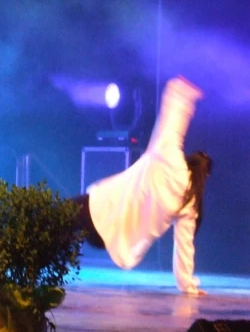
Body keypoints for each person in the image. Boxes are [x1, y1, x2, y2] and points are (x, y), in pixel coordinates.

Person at [72, 75, 211, 295]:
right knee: (60, 230)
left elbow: (172, 126)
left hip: (96, 209)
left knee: (51, 218)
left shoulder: (170, 160)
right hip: (111, 244)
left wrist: (181, 94)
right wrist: (188, 286)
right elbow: (184, 247)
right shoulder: (190, 204)